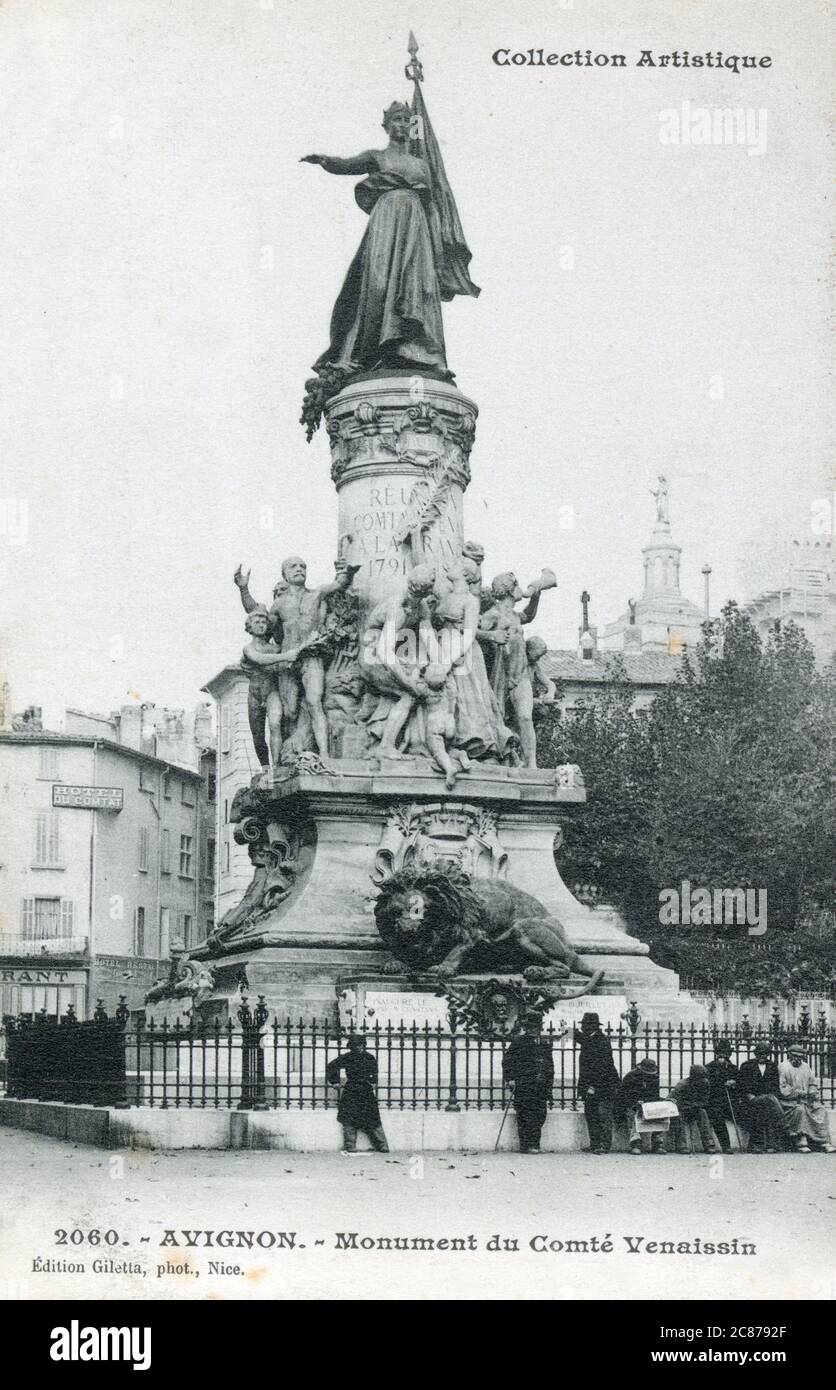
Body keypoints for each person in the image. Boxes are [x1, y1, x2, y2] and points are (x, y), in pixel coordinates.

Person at [326, 1035, 389, 1155]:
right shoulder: (348, 1057)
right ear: (351, 1047)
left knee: (373, 1118)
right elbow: (331, 1066)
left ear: (363, 1045)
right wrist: (335, 1081)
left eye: (359, 1045)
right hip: (352, 1089)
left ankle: (382, 1145)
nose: (357, 1048)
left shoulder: (369, 1058)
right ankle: (350, 1146)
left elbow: (374, 1072)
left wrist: (373, 1082)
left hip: (365, 1090)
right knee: (349, 1119)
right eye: (354, 1046)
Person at [502, 1012, 555, 1154]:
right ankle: (526, 1145)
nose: (534, 1030)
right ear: (526, 1028)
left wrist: (549, 1085)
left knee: (539, 1116)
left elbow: (550, 1067)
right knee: (525, 1115)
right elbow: (507, 1062)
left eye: (536, 1027)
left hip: (540, 1086)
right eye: (531, 1027)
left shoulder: (544, 1044)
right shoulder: (518, 1042)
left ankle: (535, 1143)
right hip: (524, 1085)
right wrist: (510, 1079)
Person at [575, 1011, 620, 1154]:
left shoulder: (601, 1041)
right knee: (591, 1115)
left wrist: (593, 1086)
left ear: (591, 1026)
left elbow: (603, 1067)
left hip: (602, 1086)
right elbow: (582, 1039)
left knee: (602, 1116)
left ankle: (604, 1145)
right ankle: (594, 1144)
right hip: (592, 1086)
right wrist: (568, 1031)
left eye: (584, 1025)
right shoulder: (592, 1038)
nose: (582, 1028)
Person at [778, 1044, 834, 1153]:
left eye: (800, 1056)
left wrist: (812, 1091)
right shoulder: (783, 1067)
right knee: (801, 1110)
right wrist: (798, 1093)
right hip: (790, 1102)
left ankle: (824, 1141)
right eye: (795, 1056)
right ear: (789, 1055)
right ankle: (801, 1140)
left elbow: (812, 1083)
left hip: (808, 1101)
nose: (797, 1059)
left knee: (821, 1110)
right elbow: (783, 1087)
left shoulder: (806, 1066)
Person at [737, 1044, 788, 1154]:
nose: (762, 1056)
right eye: (760, 1054)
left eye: (765, 1054)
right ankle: (768, 1141)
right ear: (756, 1054)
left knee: (765, 1108)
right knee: (765, 1105)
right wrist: (748, 1095)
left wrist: (771, 1096)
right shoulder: (746, 1066)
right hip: (751, 1099)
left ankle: (761, 1145)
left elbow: (775, 1086)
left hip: (767, 1101)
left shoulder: (772, 1066)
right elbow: (741, 1085)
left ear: (768, 1055)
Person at [616, 1057, 667, 1155]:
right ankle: (636, 1144)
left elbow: (654, 1095)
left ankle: (657, 1143)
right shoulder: (631, 1077)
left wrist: (664, 1101)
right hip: (629, 1105)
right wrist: (636, 1101)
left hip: (646, 1104)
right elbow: (622, 1097)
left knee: (660, 1113)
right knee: (634, 1115)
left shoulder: (654, 1077)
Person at [669, 1065, 719, 1155]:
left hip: (696, 1109)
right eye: (699, 1078)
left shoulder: (705, 1083)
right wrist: (684, 1105)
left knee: (703, 1113)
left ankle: (709, 1144)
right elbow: (671, 1099)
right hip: (683, 1109)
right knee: (679, 1117)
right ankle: (681, 1145)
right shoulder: (682, 1084)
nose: (701, 1080)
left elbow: (705, 1100)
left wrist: (695, 1105)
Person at [705, 1040, 740, 1153]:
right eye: (720, 1053)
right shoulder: (709, 1068)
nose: (722, 1056)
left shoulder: (733, 1068)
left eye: (725, 1054)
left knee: (748, 1113)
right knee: (717, 1115)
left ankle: (755, 1144)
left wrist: (734, 1084)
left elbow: (741, 1085)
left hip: (731, 1101)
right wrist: (723, 1083)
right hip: (714, 1101)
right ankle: (726, 1145)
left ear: (729, 1055)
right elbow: (708, 1086)